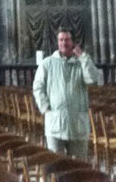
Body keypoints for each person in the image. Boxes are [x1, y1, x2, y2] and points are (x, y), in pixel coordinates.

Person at [32, 29, 99, 159]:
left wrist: (83, 57)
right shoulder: (47, 63)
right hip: (55, 123)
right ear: (57, 42)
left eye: (67, 39)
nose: (64, 43)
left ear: (72, 42)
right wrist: (45, 107)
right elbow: (38, 87)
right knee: (57, 164)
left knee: (79, 166)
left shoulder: (81, 62)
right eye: (61, 40)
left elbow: (92, 79)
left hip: (77, 124)